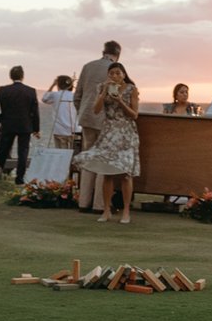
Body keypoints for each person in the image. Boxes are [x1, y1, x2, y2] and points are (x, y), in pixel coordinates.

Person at [73, 62, 140, 225]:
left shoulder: (131, 89)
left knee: (125, 173)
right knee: (107, 173)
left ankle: (125, 211)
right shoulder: (103, 87)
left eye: (118, 73)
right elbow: (96, 109)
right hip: (109, 131)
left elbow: (134, 114)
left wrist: (120, 101)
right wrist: (104, 92)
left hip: (126, 132)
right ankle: (106, 210)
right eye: (112, 74)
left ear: (124, 74)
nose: (115, 76)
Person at [74, 41, 121, 212]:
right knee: (103, 161)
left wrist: (83, 112)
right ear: (118, 53)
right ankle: (99, 204)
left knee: (89, 158)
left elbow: (77, 95)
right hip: (105, 121)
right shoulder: (115, 70)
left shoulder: (87, 67)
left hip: (86, 118)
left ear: (104, 51)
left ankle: (83, 202)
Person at [0, 65, 40, 183]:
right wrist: (36, 128)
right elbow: (35, 111)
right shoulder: (30, 91)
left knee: (3, 151)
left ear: (10, 76)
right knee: (23, 152)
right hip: (25, 126)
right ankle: (20, 178)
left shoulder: (4, 90)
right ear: (22, 76)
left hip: (8, 125)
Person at [42, 75, 80, 150]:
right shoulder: (75, 96)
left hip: (60, 130)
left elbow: (44, 99)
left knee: (61, 154)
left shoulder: (55, 95)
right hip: (75, 130)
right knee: (74, 153)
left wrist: (52, 85)